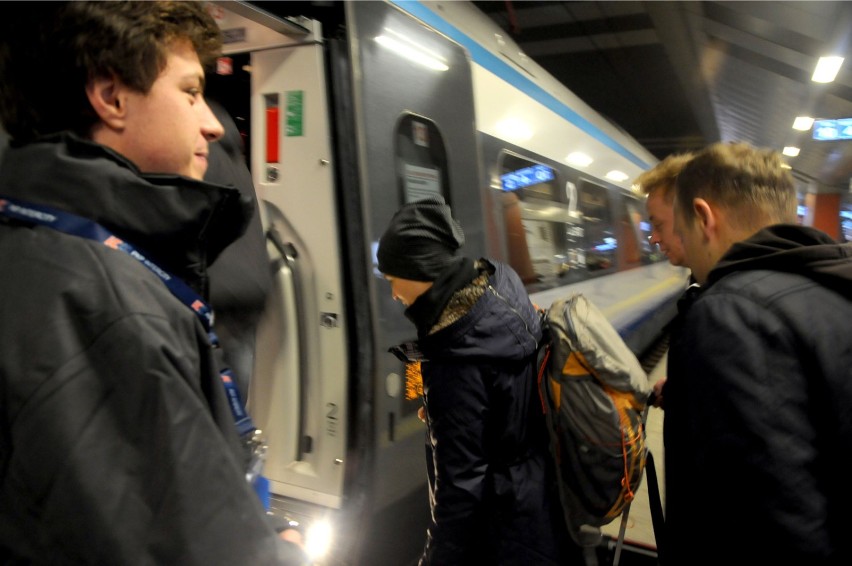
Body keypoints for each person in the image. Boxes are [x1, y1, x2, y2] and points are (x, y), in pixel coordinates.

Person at [0, 3, 307, 564]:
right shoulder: (107, 306)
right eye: (190, 92)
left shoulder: (40, 248)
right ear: (111, 98)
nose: (212, 124)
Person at [663, 141, 852, 564]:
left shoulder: (731, 312)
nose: (682, 251)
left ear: (703, 217)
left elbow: (769, 529)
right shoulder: (835, 285)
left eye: (680, 231)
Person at [377, 196, 581, 565]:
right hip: (539, 495)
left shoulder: (454, 355)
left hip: (503, 529)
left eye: (393, 279)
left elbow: (461, 489)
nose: (393, 293)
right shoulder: (501, 288)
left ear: (418, 268)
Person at [633, 151, 696, 408]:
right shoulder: (701, 290)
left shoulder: (726, 311)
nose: (654, 239)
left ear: (698, 215)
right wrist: (680, 389)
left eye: (658, 225)